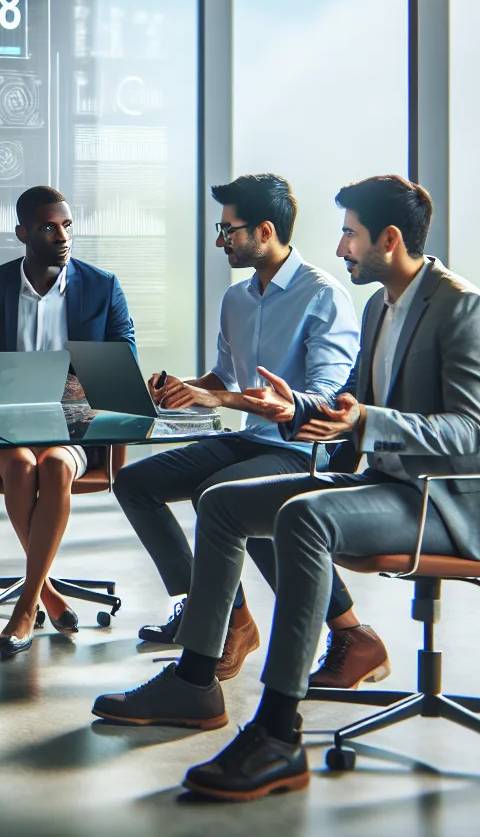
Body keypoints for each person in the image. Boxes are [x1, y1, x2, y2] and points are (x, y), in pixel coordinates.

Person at [92, 175, 480, 803]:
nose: (341, 247)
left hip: (437, 503)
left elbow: (471, 431)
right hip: (375, 477)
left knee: (299, 516)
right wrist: (300, 404)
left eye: (350, 234)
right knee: (223, 500)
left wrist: (360, 420)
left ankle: (277, 730)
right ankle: (196, 680)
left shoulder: (462, 307)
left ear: (389, 240)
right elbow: (347, 403)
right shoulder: (382, 305)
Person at [111, 174, 374, 692]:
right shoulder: (237, 299)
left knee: (223, 495)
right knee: (134, 483)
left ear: (265, 230)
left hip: (305, 447)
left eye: (228, 230)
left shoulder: (323, 296)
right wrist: (184, 387)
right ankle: (225, 616)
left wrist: (221, 399)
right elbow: (224, 380)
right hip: (254, 438)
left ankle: (328, 632)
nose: (219, 241)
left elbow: (318, 402)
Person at [0, 185, 135, 657]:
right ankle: (45, 593)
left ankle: (27, 603)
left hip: (70, 429)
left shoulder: (101, 287)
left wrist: (75, 388)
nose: (62, 235)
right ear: (23, 233)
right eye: (49, 227)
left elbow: (124, 363)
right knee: (19, 465)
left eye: (67, 225)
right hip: (6, 424)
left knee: (52, 466)